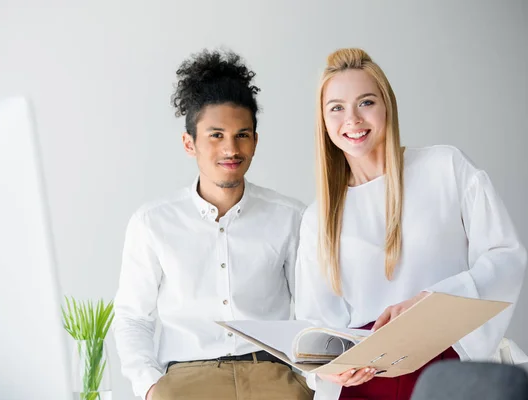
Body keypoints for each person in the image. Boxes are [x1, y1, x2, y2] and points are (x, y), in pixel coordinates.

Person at [295, 48, 527, 400]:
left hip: (446, 362)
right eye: (337, 108)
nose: (352, 120)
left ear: (387, 106)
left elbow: (504, 255)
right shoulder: (318, 217)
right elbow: (314, 323)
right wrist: (332, 368)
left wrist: (434, 301)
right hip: (364, 382)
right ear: (323, 121)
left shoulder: (445, 168)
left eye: (366, 102)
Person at [113, 49, 313, 400]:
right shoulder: (152, 223)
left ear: (255, 140)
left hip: (273, 376)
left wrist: (308, 382)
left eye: (242, 134)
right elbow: (133, 317)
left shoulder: (291, 217)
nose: (231, 149)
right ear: (189, 143)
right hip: (186, 378)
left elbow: (315, 309)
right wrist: (150, 388)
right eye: (216, 135)